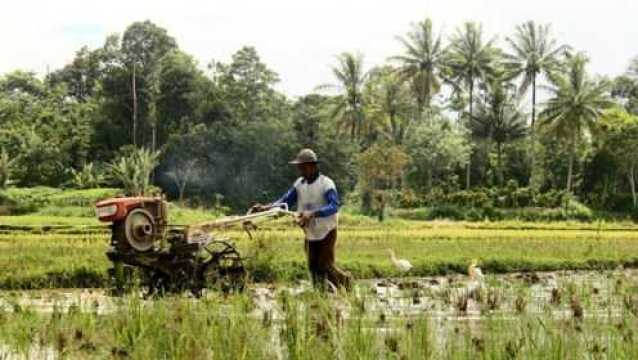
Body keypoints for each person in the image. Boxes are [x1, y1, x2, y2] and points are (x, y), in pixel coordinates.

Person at [253, 148, 352, 291]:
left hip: (327, 230)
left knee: (325, 265)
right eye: (299, 167)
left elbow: (334, 206)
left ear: (312, 166)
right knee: (312, 265)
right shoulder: (300, 184)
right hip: (310, 231)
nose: (300, 170)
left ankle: (347, 284)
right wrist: (266, 208)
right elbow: (285, 201)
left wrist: (313, 214)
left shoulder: (326, 183)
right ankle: (321, 295)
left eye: (302, 167)